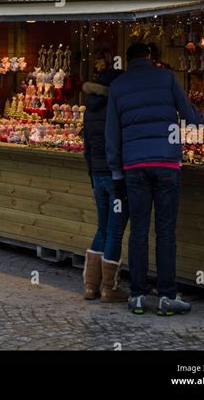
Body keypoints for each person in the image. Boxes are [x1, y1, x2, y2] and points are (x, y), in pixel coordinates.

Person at [105, 43, 204, 316]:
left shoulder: (118, 86)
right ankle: (167, 296)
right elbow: (189, 115)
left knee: (138, 230)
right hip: (166, 163)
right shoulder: (167, 78)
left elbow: (112, 134)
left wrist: (116, 170)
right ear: (149, 57)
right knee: (165, 231)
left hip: (134, 166)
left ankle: (137, 295)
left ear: (127, 60)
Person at [82, 68, 129, 303]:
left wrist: (92, 174)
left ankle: (91, 286)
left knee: (102, 227)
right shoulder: (116, 107)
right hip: (115, 175)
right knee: (115, 229)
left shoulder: (89, 109)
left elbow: (87, 147)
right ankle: (109, 288)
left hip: (98, 175)